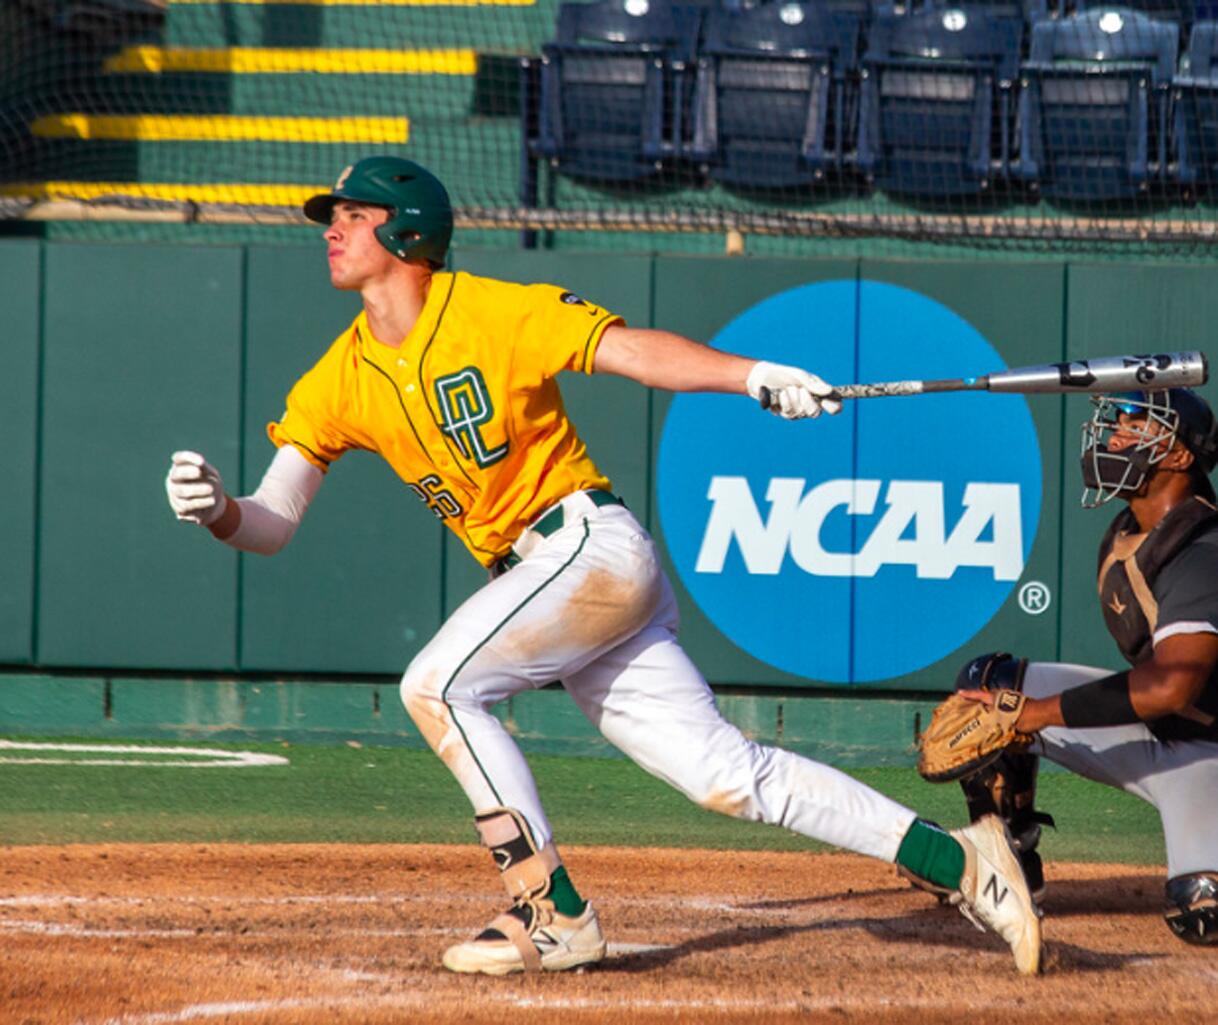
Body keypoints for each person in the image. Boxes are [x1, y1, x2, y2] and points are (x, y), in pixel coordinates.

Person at [164, 154, 1041, 976]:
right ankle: (963, 860)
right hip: (545, 581)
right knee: (725, 775)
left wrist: (754, 375)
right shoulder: (338, 378)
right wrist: (222, 513)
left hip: (590, 547)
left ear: (407, 235)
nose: (333, 228)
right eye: (335, 217)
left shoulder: (493, 310)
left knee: (437, 686)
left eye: (354, 215)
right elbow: (272, 521)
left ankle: (551, 909)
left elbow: (635, 352)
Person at [945, 386, 1218, 945]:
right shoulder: (1131, 529)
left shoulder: (1202, 550)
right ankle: (1010, 862)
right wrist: (1022, 707)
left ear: (1180, 457)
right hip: (1161, 730)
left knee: (1203, 911)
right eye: (1116, 419)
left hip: (1210, 754)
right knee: (991, 688)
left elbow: (1171, 685)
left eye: (1135, 423)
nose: (1114, 432)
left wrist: (1039, 713)